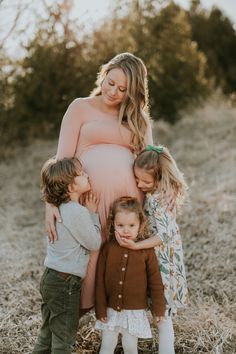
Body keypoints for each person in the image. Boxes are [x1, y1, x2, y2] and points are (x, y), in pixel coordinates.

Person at [45, 52, 153, 310]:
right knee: (87, 257)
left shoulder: (139, 119)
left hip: (126, 208)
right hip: (85, 204)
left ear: (133, 92)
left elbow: (151, 163)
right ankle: (76, 314)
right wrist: (50, 203)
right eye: (110, 82)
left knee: (120, 259)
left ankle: (114, 323)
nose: (113, 91)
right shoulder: (80, 108)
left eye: (123, 89)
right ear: (103, 75)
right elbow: (61, 162)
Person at [116, 145, 188, 354]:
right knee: (162, 316)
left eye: (145, 181)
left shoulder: (157, 200)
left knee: (162, 317)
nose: (140, 184)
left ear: (160, 178)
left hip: (164, 264)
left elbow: (163, 236)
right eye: (137, 179)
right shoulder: (165, 193)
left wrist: (135, 245)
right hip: (166, 261)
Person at [33, 157, 101, 354]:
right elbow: (94, 242)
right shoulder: (77, 212)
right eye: (82, 174)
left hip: (50, 278)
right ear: (71, 187)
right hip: (65, 283)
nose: (87, 175)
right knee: (64, 338)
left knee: (47, 333)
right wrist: (93, 214)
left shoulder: (59, 209)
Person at [95, 197, 165, 354]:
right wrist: (100, 309)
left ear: (140, 224)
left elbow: (155, 282)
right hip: (110, 309)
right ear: (113, 225)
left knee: (130, 347)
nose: (126, 230)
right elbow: (99, 281)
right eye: (120, 225)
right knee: (107, 345)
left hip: (134, 311)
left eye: (131, 225)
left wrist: (159, 309)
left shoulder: (146, 250)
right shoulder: (108, 248)